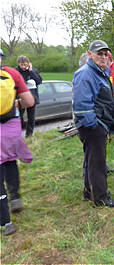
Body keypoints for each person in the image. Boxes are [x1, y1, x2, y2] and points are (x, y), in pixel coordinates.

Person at [73, 40, 114, 207]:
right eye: (98, 53)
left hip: (98, 124)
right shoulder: (86, 73)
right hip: (93, 126)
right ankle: (101, 198)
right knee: (98, 163)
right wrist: (94, 125)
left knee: (91, 161)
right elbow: (81, 104)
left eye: (105, 54)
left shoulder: (100, 72)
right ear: (89, 54)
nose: (102, 56)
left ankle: (89, 192)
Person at [0, 48, 35, 235]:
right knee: (10, 159)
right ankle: (15, 198)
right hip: (10, 126)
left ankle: (5, 222)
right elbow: (29, 101)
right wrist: (15, 102)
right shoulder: (11, 73)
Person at [15, 55, 42, 137]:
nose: (23, 66)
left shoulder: (33, 70)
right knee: (19, 117)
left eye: (25, 64)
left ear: (28, 64)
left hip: (32, 97)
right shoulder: (15, 71)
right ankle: (17, 135)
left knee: (31, 118)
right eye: (21, 64)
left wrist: (30, 71)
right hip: (20, 98)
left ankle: (29, 135)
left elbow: (39, 81)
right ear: (18, 64)